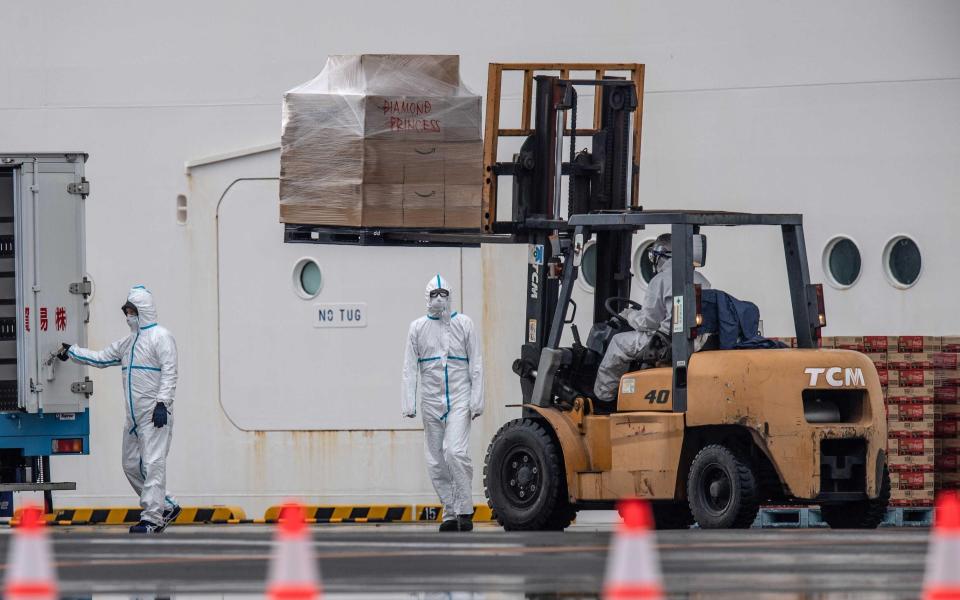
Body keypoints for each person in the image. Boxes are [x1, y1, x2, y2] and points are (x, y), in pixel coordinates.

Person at [57, 285, 180, 534]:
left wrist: (162, 403)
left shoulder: (161, 337)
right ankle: (166, 505)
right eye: (126, 311)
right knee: (131, 465)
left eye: (132, 310)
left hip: (154, 414)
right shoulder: (128, 343)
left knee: (153, 464)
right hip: (133, 417)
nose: (128, 316)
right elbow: (101, 358)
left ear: (143, 310)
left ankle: (152, 519)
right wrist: (72, 352)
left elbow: (170, 371)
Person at [402, 274, 483, 532]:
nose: (439, 299)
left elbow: (477, 364)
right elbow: (409, 368)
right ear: (427, 297)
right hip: (431, 401)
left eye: (443, 294)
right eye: (434, 294)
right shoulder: (417, 328)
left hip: (459, 397)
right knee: (436, 460)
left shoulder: (464, 324)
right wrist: (409, 404)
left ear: (450, 295)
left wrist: (476, 400)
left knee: (454, 451)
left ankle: (465, 508)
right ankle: (449, 512)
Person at [594, 234, 711, 402]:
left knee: (618, 343)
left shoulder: (661, 279)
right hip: (697, 341)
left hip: (669, 342)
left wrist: (629, 315)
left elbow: (648, 321)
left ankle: (603, 398)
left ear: (660, 255)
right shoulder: (701, 279)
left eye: (652, 256)